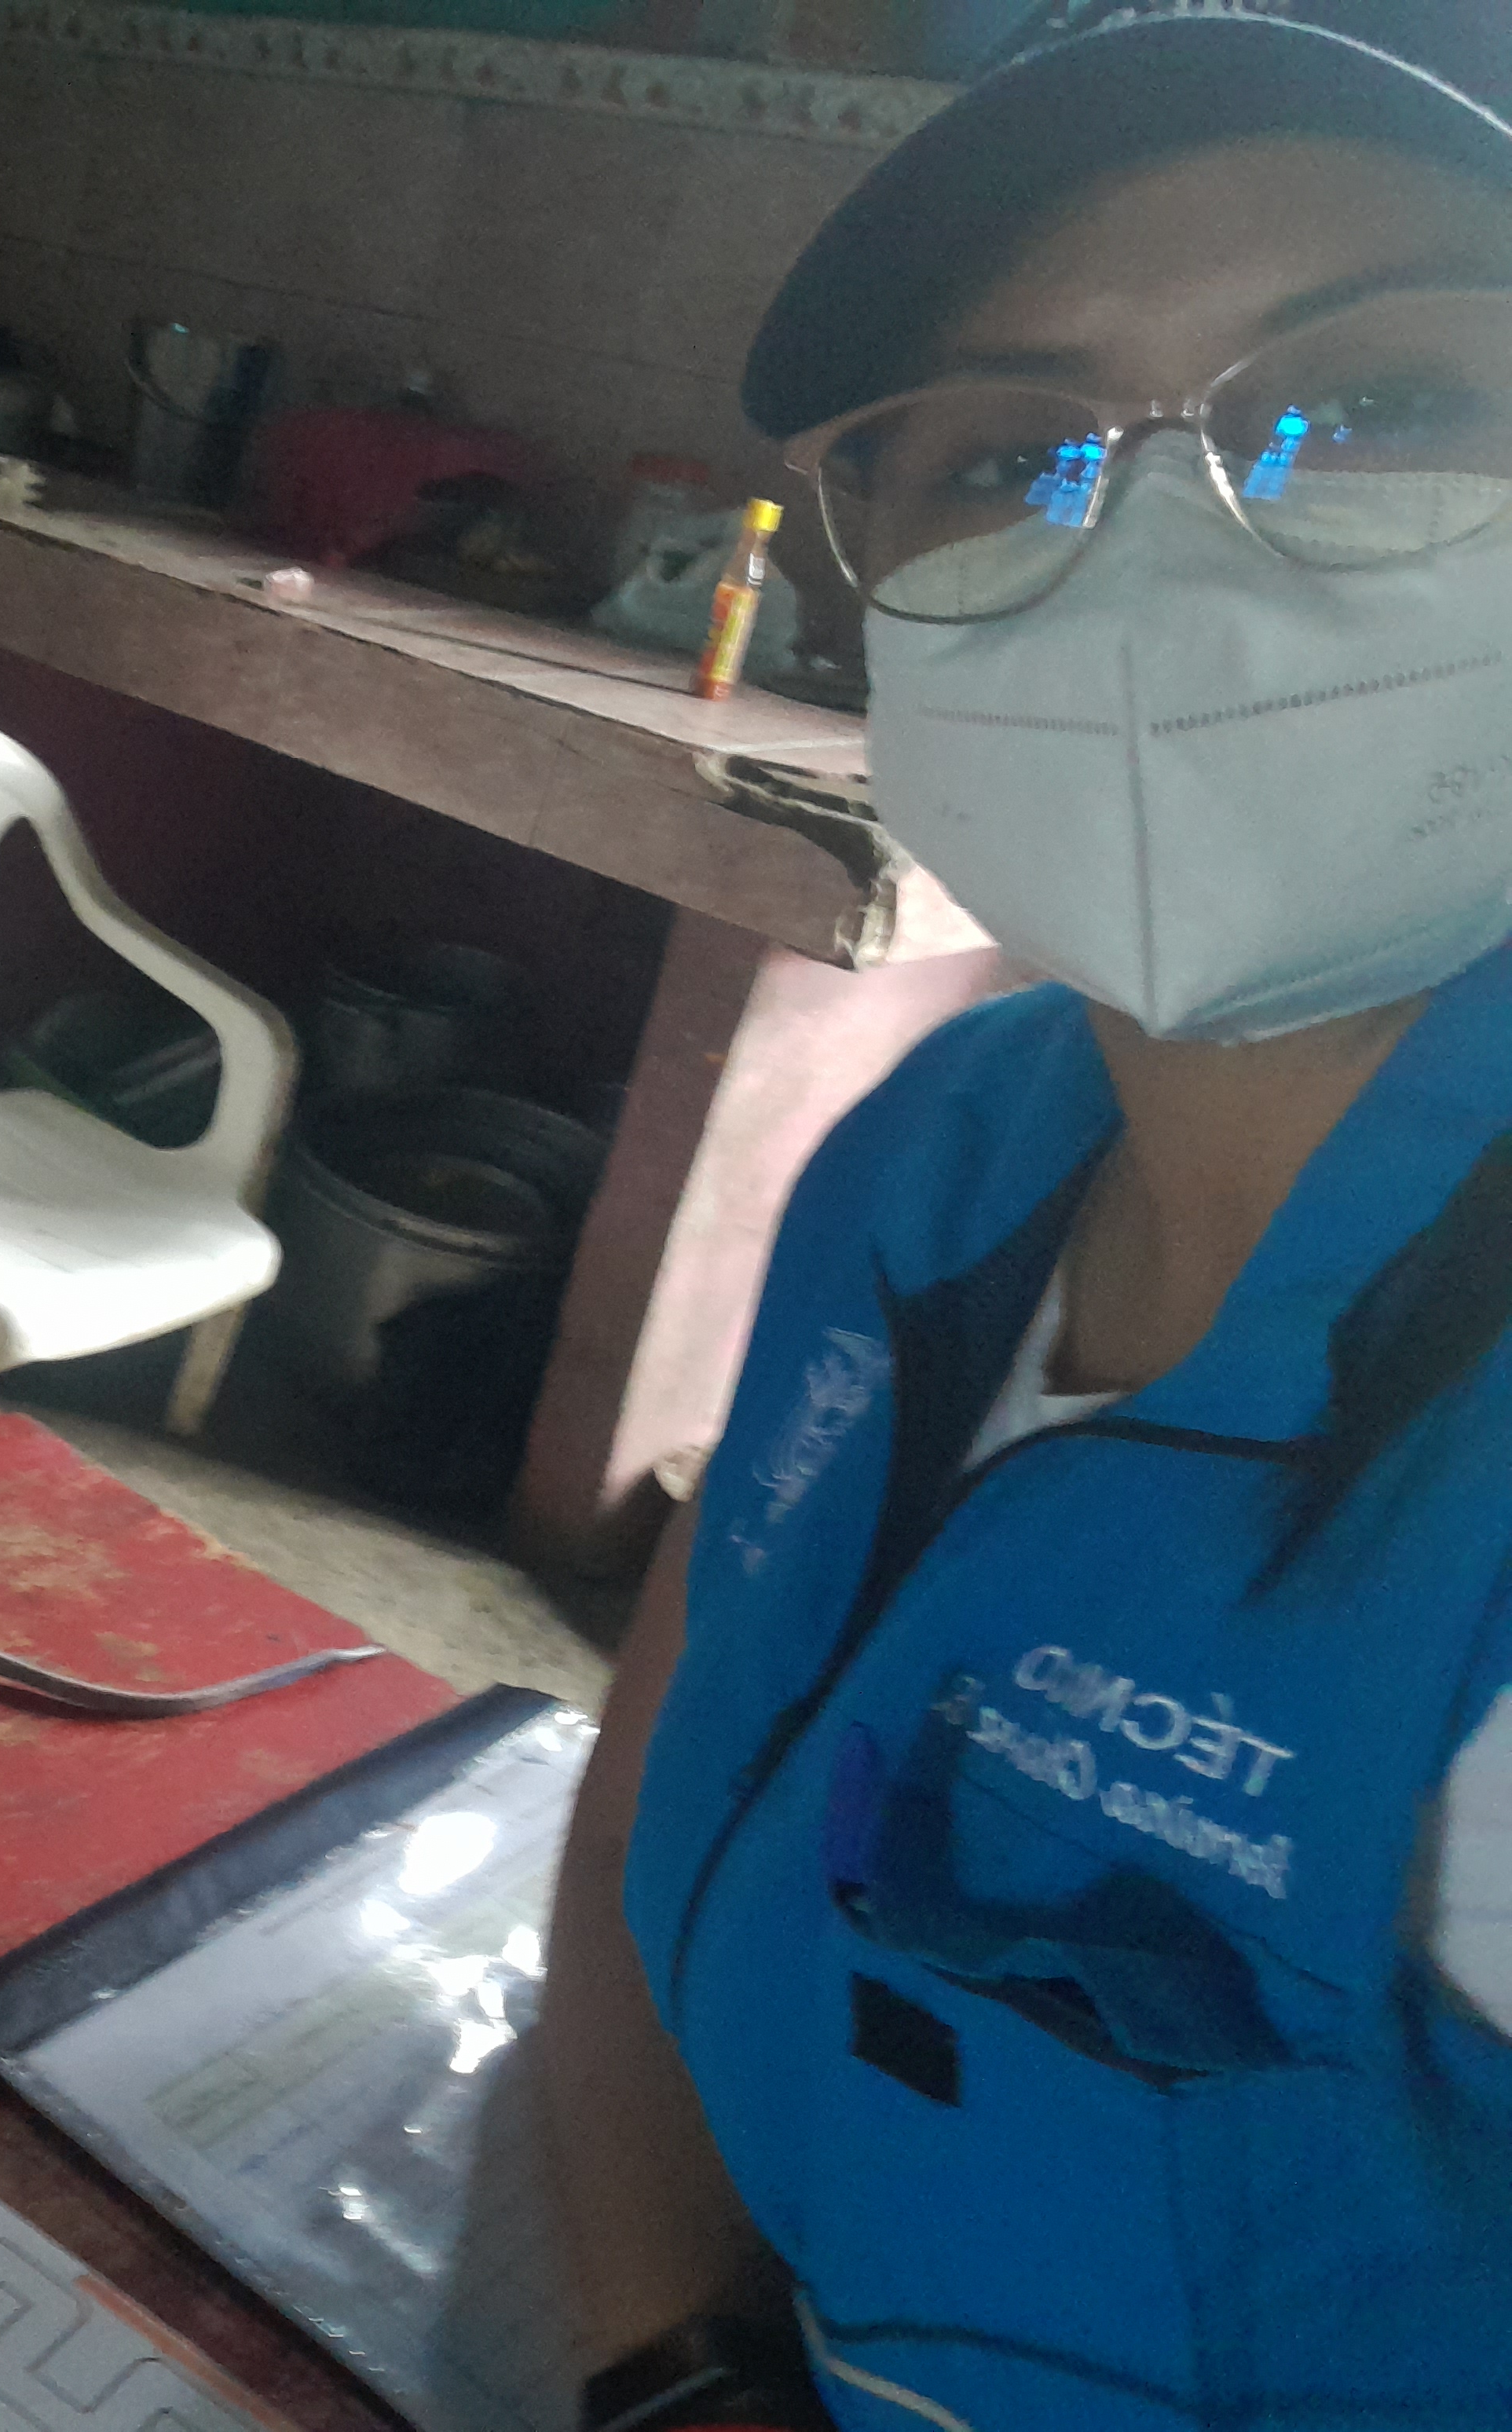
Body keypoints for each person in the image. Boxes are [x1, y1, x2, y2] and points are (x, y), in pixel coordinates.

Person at [539, 5, 1512, 2428]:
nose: (1160, 553)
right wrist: (664, 2366)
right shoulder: (946, 1144)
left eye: (1374, 403)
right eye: (1010, 452)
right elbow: (663, 1779)